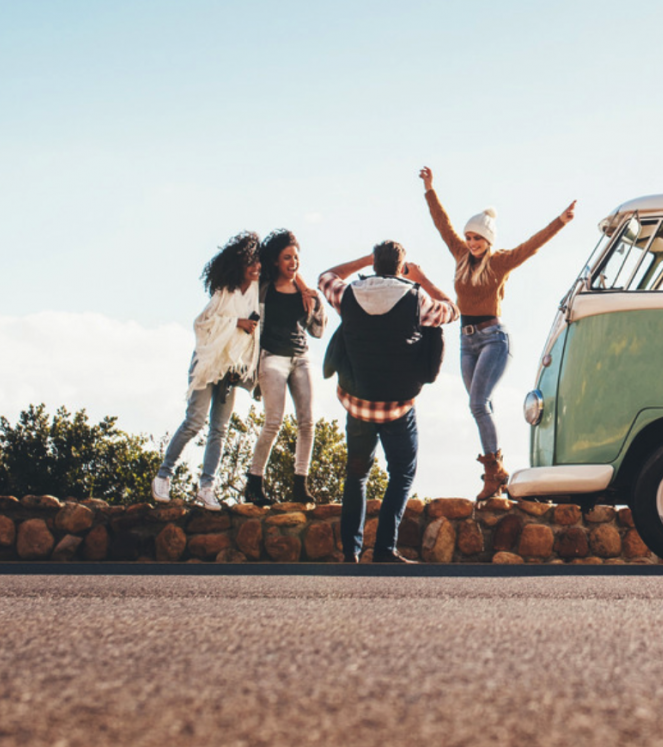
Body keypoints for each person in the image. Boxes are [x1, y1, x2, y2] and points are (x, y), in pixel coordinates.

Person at [419, 165, 575, 501]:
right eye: (469, 237)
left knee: (477, 403)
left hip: (493, 340)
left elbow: (531, 246)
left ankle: (493, 473)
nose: (472, 243)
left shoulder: (500, 262)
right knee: (479, 406)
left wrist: (560, 222)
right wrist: (430, 189)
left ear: (488, 239)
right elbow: (442, 225)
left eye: (477, 238)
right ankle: (497, 472)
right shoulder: (461, 255)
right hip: (467, 342)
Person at [319, 241, 458, 564]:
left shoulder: (349, 294)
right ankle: (384, 549)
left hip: (358, 403)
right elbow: (452, 310)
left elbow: (325, 277)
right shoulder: (416, 298)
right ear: (401, 267)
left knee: (357, 475)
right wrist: (421, 278)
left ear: (375, 263)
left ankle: (351, 551)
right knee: (402, 472)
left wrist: (363, 261)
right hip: (398, 405)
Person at [153, 231, 262, 511]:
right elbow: (202, 324)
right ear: (239, 264)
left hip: (231, 369)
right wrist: (236, 322)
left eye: (258, 262)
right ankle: (163, 475)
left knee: (219, 430)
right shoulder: (224, 292)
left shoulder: (256, 293)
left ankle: (207, 487)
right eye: (250, 262)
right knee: (195, 421)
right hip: (208, 363)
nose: (256, 267)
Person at [242, 229, 326, 506]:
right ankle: (254, 483)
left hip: (301, 358)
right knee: (273, 422)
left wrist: (315, 301)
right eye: (287, 257)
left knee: (307, 422)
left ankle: (300, 484)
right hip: (272, 359)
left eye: (296, 258)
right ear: (276, 261)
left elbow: (318, 331)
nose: (293, 262)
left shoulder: (305, 293)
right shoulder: (263, 289)